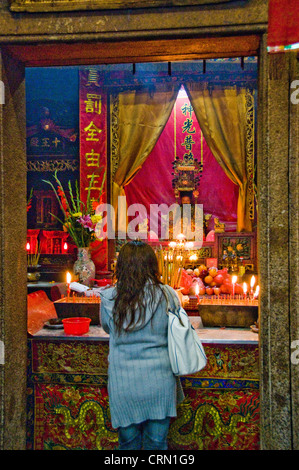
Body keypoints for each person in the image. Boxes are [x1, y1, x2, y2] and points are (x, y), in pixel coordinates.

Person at [99, 240, 184, 450]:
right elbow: (178, 329)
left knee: (127, 446)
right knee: (157, 445)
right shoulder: (167, 294)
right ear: (152, 265)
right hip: (159, 382)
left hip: (123, 383)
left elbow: (107, 329)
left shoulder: (109, 297)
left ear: (120, 266)